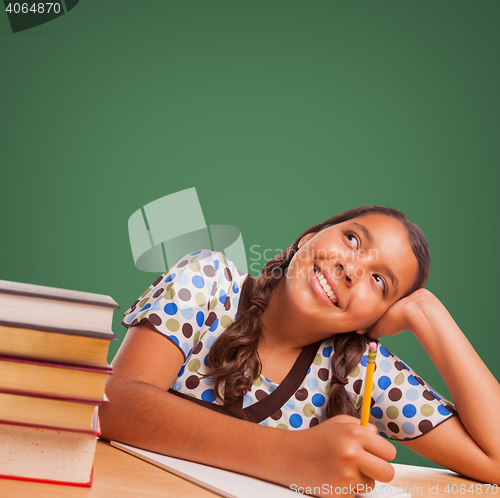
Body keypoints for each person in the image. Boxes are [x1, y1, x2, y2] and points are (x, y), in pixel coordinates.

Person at [99, 206, 500, 497]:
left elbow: (496, 459)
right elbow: (116, 403)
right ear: (307, 239)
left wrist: (427, 313)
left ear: (372, 321)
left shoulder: (360, 369)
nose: (352, 269)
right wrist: (292, 457)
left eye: (379, 282)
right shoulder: (206, 281)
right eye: (353, 239)